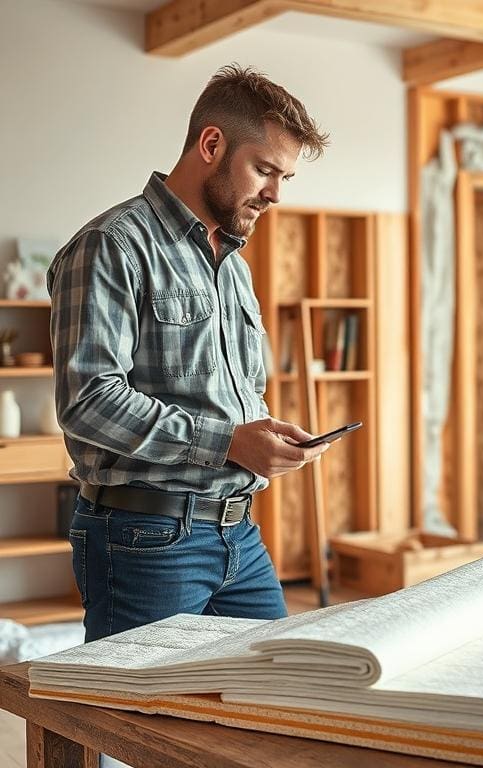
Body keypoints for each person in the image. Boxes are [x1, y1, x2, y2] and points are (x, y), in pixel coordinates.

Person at [48, 64, 330, 643]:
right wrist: (227, 441)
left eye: (286, 178)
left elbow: (234, 393)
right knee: (137, 728)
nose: (275, 193)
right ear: (211, 144)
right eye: (266, 170)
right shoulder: (112, 246)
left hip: (239, 534)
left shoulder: (236, 268)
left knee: (273, 706)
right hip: (144, 541)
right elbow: (88, 400)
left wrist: (263, 433)